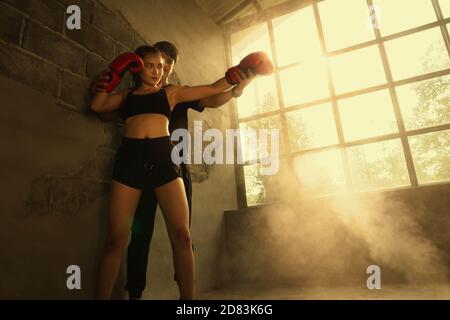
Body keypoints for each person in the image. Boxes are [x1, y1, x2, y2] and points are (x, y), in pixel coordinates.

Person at [90, 45, 269, 299]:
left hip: (164, 160)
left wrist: (238, 75)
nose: (157, 71)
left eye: (161, 67)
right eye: (150, 66)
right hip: (129, 163)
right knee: (116, 240)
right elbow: (98, 106)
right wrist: (112, 75)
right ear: (137, 67)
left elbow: (213, 89)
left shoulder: (171, 93)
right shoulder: (126, 96)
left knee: (183, 236)